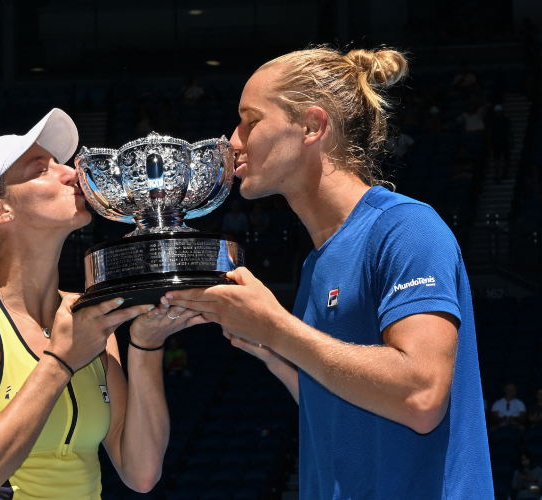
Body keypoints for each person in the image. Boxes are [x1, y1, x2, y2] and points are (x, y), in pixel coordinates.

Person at [162, 47, 493, 498]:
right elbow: (344, 410)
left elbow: (420, 396)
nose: (233, 141)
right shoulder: (317, 263)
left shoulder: (407, 228)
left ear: (313, 126)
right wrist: (271, 353)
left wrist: (277, 328)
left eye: (250, 121)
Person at [0, 109, 205, 500]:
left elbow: (141, 471)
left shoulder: (89, 313)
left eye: (59, 164)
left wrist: (147, 345)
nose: (70, 173)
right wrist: (61, 360)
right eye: (40, 168)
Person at [487, 104, 513, 183]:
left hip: (505, 142)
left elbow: (510, 131)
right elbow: (489, 133)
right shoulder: (492, 121)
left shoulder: (506, 120)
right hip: (496, 143)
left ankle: (504, 174)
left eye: (499, 111)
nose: (498, 113)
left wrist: (512, 141)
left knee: (506, 160)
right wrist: (489, 143)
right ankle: (497, 176)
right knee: (497, 160)